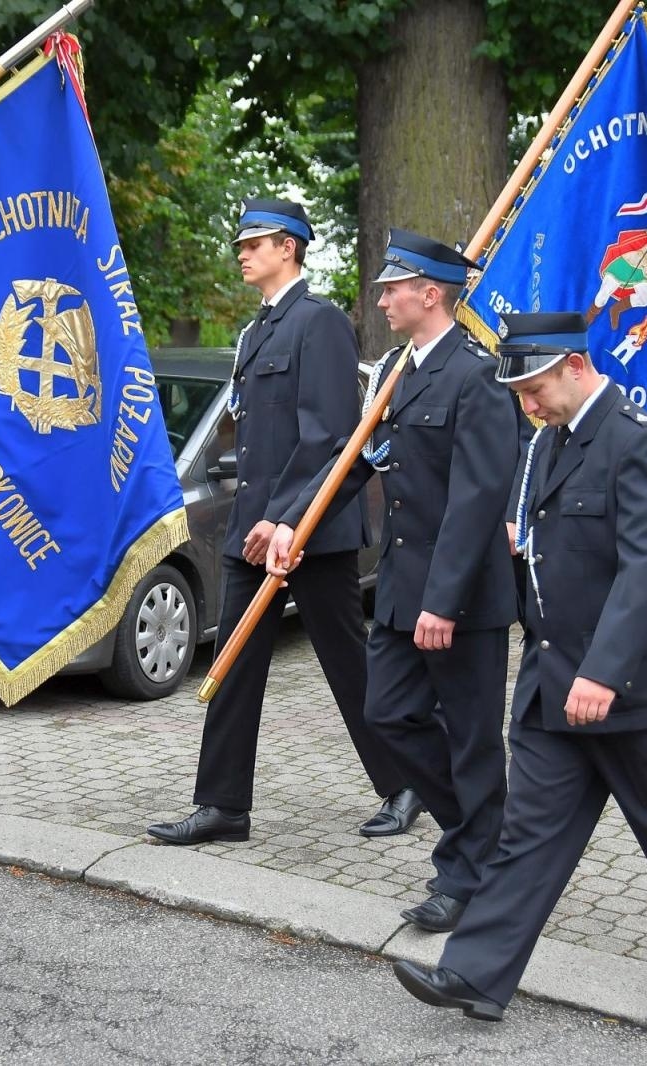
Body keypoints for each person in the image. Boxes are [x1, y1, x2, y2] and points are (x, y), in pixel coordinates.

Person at [391, 312, 647, 1030]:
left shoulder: (637, 440)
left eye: (535, 388)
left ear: (575, 367)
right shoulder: (551, 441)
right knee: (530, 837)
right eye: (518, 392)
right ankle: (476, 972)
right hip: (555, 683)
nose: (527, 404)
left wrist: (604, 673)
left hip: (635, 692)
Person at [266, 229, 517, 931]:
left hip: (460, 597)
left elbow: (477, 498)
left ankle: (467, 874)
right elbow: (356, 461)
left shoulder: (477, 374)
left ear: (429, 294)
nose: (380, 297)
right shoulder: (395, 373)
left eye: (392, 287)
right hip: (405, 587)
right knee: (387, 714)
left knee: (471, 738)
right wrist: (293, 522)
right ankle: (481, 831)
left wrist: (444, 600)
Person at [148, 199, 414, 845]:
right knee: (234, 663)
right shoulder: (258, 331)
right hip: (253, 529)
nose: (242, 251)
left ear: (288, 248)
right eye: (240, 242)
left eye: (255, 242)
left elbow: (327, 438)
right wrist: (258, 523)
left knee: (347, 661)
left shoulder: (318, 324)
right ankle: (223, 806)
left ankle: (407, 783)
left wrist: (289, 522)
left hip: (311, 530)